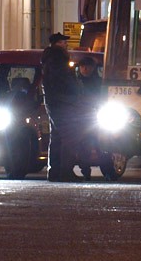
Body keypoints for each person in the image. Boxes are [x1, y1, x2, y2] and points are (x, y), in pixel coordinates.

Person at [41, 32, 80, 182]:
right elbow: (64, 81)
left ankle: (54, 171)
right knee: (68, 136)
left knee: (56, 136)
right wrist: (76, 91)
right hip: (62, 101)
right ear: (58, 43)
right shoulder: (58, 59)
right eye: (64, 42)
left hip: (53, 101)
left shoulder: (49, 59)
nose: (66, 44)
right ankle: (65, 171)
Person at [74, 56, 103, 180]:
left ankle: (108, 170)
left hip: (96, 117)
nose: (85, 69)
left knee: (100, 145)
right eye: (82, 67)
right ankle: (86, 170)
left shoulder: (99, 82)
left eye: (87, 67)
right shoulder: (75, 82)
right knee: (83, 146)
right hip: (80, 118)